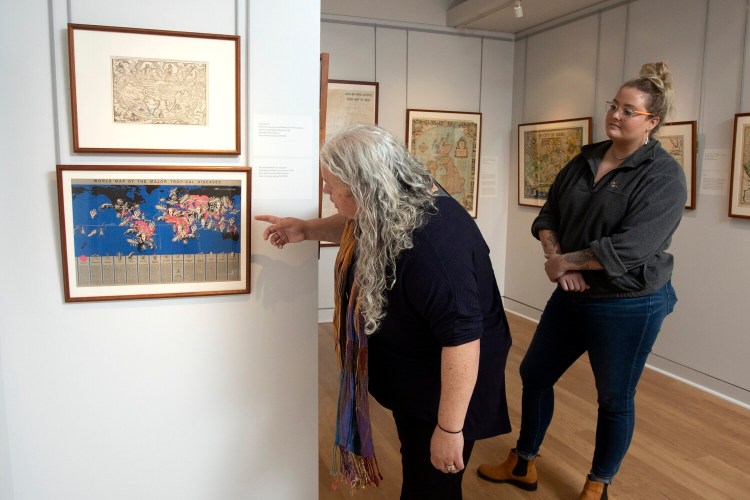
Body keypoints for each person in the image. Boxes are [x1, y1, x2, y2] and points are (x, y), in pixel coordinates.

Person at [256, 124, 512, 499]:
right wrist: (306, 229)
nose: (325, 190)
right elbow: (357, 219)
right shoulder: (394, 199)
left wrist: (449, 430)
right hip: (420, 371)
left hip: (448, 383)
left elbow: (463, 340)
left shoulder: (432, 250)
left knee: (432, 485)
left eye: (331, 184)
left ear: (363, 185)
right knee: (419, 465)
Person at [477, 62, 686, 499]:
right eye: (614, 105)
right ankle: (524, 462)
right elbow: (548, 215)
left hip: (628, 302)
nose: (616, 115)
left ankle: (597, 484)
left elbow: (633, 247)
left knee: (613, 398)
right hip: (572, 297)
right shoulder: (584, 158)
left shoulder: (663, 175)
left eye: (629, 110)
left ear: (653, 122)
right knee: (535, 374)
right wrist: (557, 259)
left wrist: (565, 263)